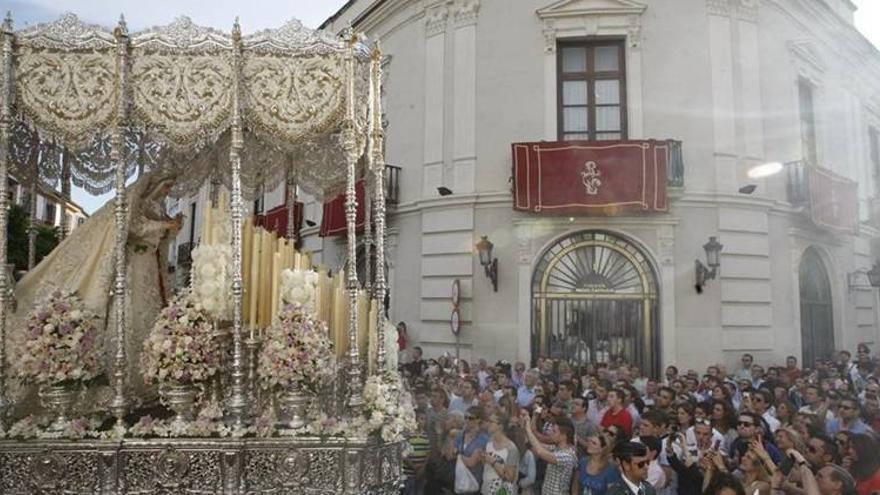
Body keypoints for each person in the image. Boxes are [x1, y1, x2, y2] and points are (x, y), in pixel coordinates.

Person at [7, 170, 182, 414]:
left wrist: (170, 229)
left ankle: (151, 377)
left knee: (150, 316)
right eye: (166, 185)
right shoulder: (138, 204)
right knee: (132, 315)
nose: (168, 191)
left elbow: (156, 236)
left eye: (170, 186)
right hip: (134, 267)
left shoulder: (159, 207)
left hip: (150, 269)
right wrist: (166, 226)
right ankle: (128, 380)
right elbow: (132, 226)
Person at [520, 410, 578, 495]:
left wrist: (528, 429)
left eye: (554, 431)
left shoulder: (567, 455)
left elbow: (540, 452)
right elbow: (534, 444)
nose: (550, 433)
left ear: (564, 436)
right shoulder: (556, 448)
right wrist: (525, 425)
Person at [481, 412, 519, 495]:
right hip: (485, 489)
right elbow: (484, 465)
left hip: (502, 492)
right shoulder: (488, 442)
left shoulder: (511, 448)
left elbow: (509, 477)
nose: (488, 424)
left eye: (491, 422)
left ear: (500, 426)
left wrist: (493, 462)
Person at [455, 406, 489, 494]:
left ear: (478, 420)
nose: (466, 420)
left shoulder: (483, 438)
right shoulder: (461, 434)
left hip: (474, 479)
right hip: (459, 479)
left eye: (470, 418)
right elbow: (450, 454)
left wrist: (458, 456)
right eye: (465, 417)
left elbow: (471, 462)